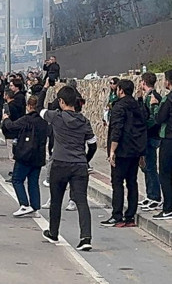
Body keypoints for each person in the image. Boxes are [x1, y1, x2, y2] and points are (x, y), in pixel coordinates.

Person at [40, 86, 97, 251]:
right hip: (79, 165)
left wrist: (44, 89)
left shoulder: (56, 117)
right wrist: (85, 160)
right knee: (81, 201)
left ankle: (53, 231)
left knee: (56, 200)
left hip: (59, 163)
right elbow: (93, 145)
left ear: (61, 101)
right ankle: (86, 237)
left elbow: (39, 109)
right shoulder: (84, 121)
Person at [102, 79, 147, 228]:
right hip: (135, 150)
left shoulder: (119, 107)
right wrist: (142, 152)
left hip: (122, 150)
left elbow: (117, 129)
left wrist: (112, 150)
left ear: (120, 90)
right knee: (132, 182)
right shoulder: (137, 106)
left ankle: (117, 216)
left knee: (117, 183)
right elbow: (142, 128)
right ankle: (130, 216)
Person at [3, 95, 50, 217]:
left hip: (24, 154)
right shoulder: (43, 122)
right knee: (33, 182)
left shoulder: (26, 120)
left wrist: (6, 119)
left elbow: (11, 126)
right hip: (38, 156)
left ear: (28, 106)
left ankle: (24, 204)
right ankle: (35, 206)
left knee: (17, 179)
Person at [138, 72, 163, 212]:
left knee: (151, 167)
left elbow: (153, 118)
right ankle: (150, 194)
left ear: (144, 82)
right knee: (146, 166)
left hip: (151, 136)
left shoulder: (153, 97)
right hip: (148, 136)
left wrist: (144, 127)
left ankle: (155, 197)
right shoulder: (147, 97)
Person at [153, 70, 172, 220]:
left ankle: (168, 208)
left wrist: (155, 106)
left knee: (165, 174)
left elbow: (159, 118)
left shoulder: (168, 99)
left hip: (168, 139)